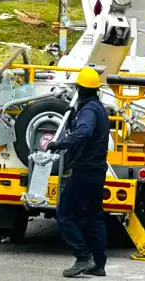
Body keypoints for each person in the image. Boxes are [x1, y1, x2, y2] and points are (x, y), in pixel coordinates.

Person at [48, 66, 110, 277]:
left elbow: (84, 132)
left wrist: (60, 143)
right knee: (94, 217)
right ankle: (99, 264)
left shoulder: (89, 110)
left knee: (65, 214)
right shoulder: (98, 107)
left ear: (81, 89)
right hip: (97, 170)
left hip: (85, 171)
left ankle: (83, 256)